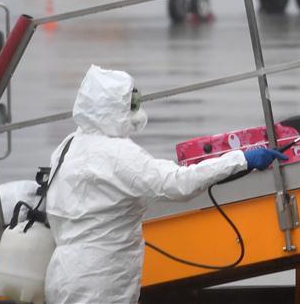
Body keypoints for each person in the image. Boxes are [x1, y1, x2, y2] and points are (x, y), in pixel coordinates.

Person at [44, 65, 286, 304]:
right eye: (132, 103)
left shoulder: (70, 144)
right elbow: (177, 184)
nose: (136, 110)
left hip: (63, 274)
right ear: (114, 107)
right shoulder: (117, 154)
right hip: (100, 282)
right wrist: (243, 159)